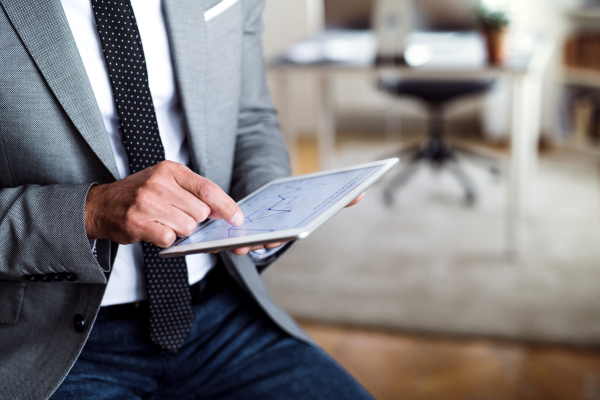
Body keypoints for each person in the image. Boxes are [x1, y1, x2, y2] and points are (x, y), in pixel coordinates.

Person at [0, 0, 374, 399]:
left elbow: (250, 119)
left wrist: (274, 204)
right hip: (50, 343)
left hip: (222, 311)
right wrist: (93, 212)